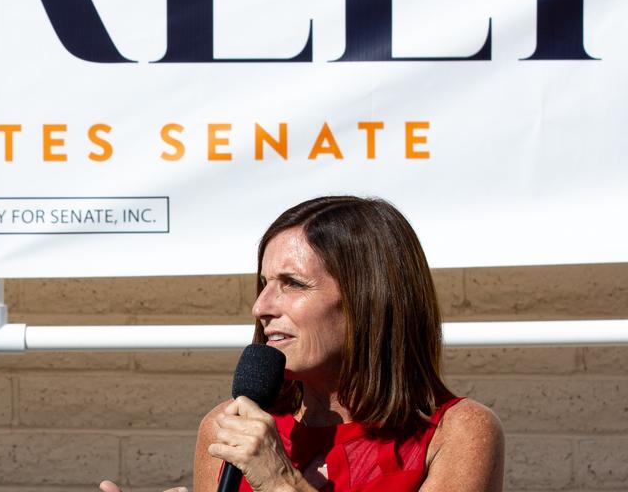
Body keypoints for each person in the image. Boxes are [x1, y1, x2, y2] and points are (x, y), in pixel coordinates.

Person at [100, 196, 504, 492]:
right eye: (263, 285)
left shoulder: (458, 432)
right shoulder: (228, 426)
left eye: (291, 284)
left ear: (369, 300)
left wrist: (280, 481)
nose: (261, 306)